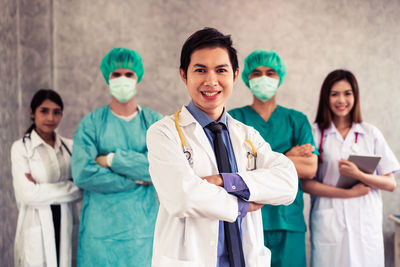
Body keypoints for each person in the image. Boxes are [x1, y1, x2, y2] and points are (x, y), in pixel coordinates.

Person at [146, 27, 298, 267]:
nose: (211, 81)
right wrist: (242, 203)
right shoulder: (164, 133)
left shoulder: (248, 135)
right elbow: (182, 197)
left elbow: (288, 183)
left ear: (235, 75)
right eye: (200, 70)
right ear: (184, 75)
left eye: (221, 70)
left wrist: (226, 181)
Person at [71, 48, 162, 266]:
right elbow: (83, 174)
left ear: (137, 77)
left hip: (143, 232)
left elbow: (160, 168)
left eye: (128, 74)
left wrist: (111, 160)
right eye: (116, 75)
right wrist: (137, 178)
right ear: (108, 78)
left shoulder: (154, 123)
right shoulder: (92, 123)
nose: (123, 79)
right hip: (100, 234)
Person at [229, 49, 318, 267]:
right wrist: (287, 158)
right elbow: (235, 169)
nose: (263, 78)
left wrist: (257, 162)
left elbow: (309, 169)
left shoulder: (296, 120)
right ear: (247, 78)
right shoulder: (234, 119)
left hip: (288, 220)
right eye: (256, 73)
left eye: (270, 73)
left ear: (279, 78)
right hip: (246, 217)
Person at [302, 69, 399, 267]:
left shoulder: (370, 133)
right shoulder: (314, 132)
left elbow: (390, 183)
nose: (341, 100)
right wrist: (348, 194)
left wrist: (358, 174)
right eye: (334, 94)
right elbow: (306, 184)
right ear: (326, 97)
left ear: (355, 95)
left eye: (347, 93)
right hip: (329, 221)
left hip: (365, 223)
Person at [11, 89, 82, 267]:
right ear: (32, 112)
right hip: (36, 225)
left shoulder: (70, 147)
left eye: (56, 112)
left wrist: (40, 188)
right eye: (44, 111)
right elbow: (28, 195)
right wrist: (69, 185)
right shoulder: (21, 149)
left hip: (66, 222)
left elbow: (82, 188)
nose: (50, 118)